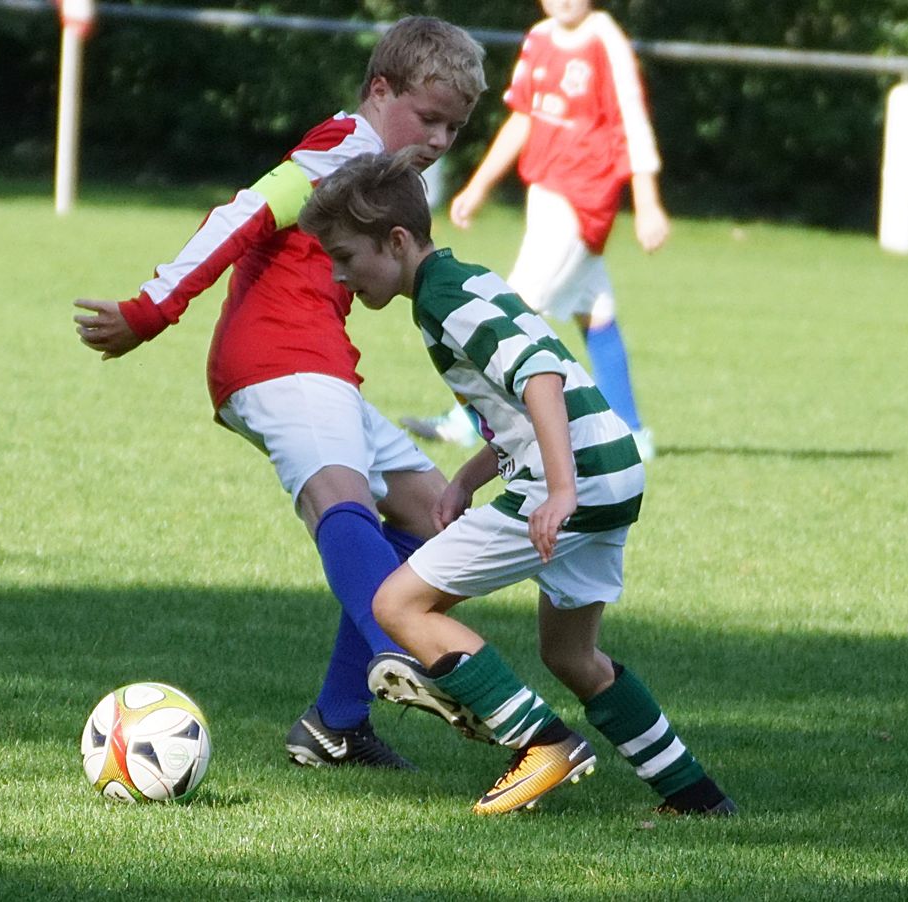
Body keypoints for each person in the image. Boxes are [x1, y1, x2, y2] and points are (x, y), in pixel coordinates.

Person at [71, 18, 486, 770]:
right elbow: (242, 214)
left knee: (435, 516)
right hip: (278, 357)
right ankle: (402, 648)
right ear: (379, 90)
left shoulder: (384, 170)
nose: (438, 139)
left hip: (318, 362)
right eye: (428, 118)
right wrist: (150, 309)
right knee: (339, 497)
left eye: (454, 128)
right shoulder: (344, 146)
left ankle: (336, 724)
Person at [299, 151, 734, 817]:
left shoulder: (444, 301)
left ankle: (543, 744)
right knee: (571, 655)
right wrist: (468, 476)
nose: (338, 274)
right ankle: (697, 799)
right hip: (611, 468)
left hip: (575, 478)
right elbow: (515, 405)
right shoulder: (465, 280)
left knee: (398, 604)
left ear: (397, 241)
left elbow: (540, 378)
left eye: (345, 257)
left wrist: (560, 491)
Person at [403, 0, 666, 461]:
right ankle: (631, 432)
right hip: (545, 195)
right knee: (595, 310)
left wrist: (646, 202)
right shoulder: (541, 39)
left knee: (508, 311)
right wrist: (480, 184)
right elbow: (524, 118)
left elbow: (632, 121)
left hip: (581, 198)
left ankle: (471, 423)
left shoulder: (604, 40)